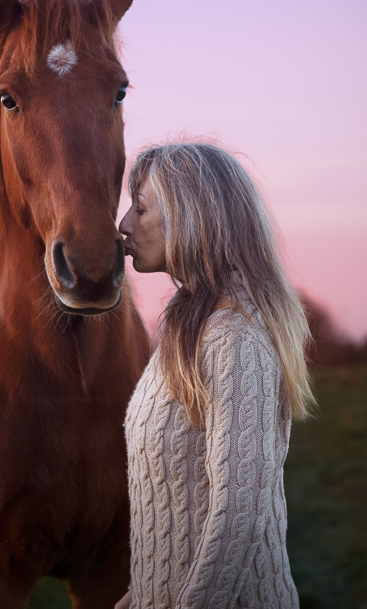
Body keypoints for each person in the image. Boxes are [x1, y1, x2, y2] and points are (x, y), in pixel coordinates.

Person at [115, 142, 314, 609]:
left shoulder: (236, 336)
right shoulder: (187, 328)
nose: (123, 225)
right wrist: (141, 592)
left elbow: (237, 519)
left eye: (140, 209)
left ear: (193, 216)